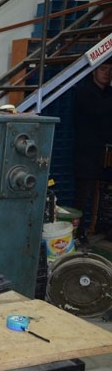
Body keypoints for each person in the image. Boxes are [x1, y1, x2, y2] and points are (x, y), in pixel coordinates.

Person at [72, 59, 112, 240]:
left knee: (104, 192)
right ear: (94, 71)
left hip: (105, 151)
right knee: (83, 193)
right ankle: (77, 232)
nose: (107, 73)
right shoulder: (84, 91)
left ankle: (103, 227)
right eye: (103, 69)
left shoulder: (108, 92)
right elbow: (98, 110)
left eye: (110, 70)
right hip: (86, 151)